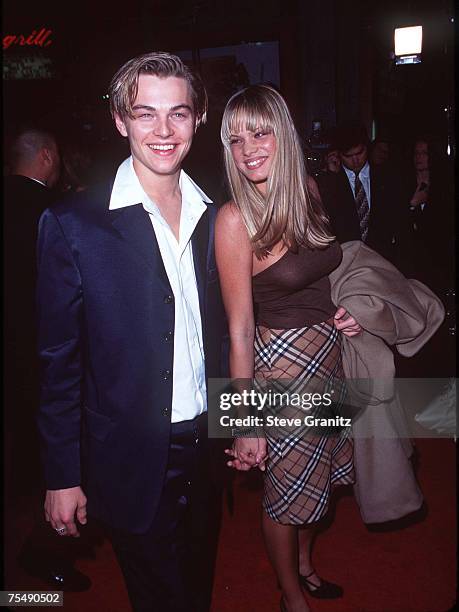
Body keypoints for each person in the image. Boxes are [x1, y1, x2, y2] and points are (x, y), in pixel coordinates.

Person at [36, 52, 226, 612]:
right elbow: (57, 361)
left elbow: (230, 332)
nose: (164, 131)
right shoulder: (74, 225)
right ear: (121, 121)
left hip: (205, 449)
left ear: (199, 119)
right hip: (129, 458)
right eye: (145, 114)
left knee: (197, 590)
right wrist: (61, 475)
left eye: (179, 114)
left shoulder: (216, 215)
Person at [215, 84, 361, 612]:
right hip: (282, 369)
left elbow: (324, 272)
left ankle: (304, 565)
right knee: (286, 494)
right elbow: (238, 328)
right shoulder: (235, 220)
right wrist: (246, 422)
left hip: (327, 353)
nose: (249, 147)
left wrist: (339, 310)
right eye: (235, 139)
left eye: (260, 132)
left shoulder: (309, 189)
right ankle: (291, 596)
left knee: (319, 478)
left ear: (285, 133)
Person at [316, 123, 407, 265]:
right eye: (348, 156)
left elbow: (399, 222)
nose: (355, 160)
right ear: (338, 154)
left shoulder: (387, 176)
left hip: (384, 260)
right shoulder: (330, 181)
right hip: (346, 262)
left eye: (359, 153)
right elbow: (326, 224)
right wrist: (331, 178)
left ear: (367, 148)